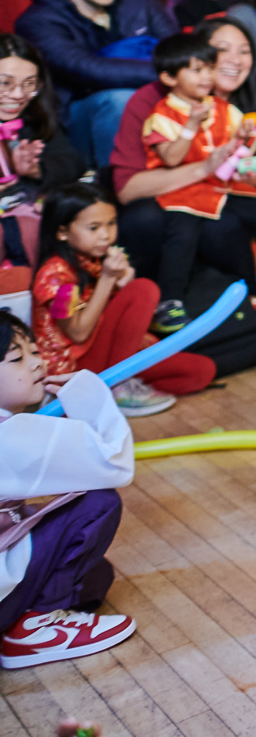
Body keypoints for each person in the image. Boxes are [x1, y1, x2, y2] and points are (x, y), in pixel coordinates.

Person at [0, 313, 139, 671]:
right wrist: (93, 399)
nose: (37, 363)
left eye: (34, 351)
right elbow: (115, 464)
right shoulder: (10, 436)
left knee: (96, 577)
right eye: (17, 358)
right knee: (98, 503)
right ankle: (34, 629)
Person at [105, 18, 256, 288]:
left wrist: (248, 165)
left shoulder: (250, 104)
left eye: (244, 51)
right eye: (221, 50)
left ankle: (252, 301)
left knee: (242, 216)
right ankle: (166, 302)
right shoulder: (156, 103)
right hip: (175, 202)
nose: (234, 60)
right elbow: (128, 189)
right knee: (161, 219)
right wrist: (204, 168)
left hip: (228, 194)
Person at [136, 31, 256, 319]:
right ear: (170, 78)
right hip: (182, 191)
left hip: (220, 187)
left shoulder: (223, 107)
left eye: (209, 68)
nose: (207, 77)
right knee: (181, 239)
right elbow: (171, 158)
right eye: (197, 70)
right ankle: (169, 302)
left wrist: (246, 135)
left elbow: (238, 140)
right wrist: (191, 126)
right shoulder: (161, 115)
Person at [31, 181, 207, 418]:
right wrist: (108, 280)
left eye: (111, 224)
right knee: (144, 289)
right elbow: (78, 333)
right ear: (62, 232)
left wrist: (120, 284)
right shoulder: (55, 276)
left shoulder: (93, 261)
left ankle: (115, 390)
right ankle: (117, 387)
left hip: (104, 357)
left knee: (201, 371)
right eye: (93, 228)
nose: (106, 235)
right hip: (73, 371)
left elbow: (110, 318)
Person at [17, 0, 177, 164]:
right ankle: (118, 183)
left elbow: (176, 46)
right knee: (118, 99)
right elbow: (85, 68)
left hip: (147, 97)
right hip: (76, 121)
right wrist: (171, 73)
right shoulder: (39, 21)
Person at [0, 37, 87, 269]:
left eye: (29, 84)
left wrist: (35, 169)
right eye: (5, 83)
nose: (18, 94)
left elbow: (73, 162)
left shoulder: (32, 119)